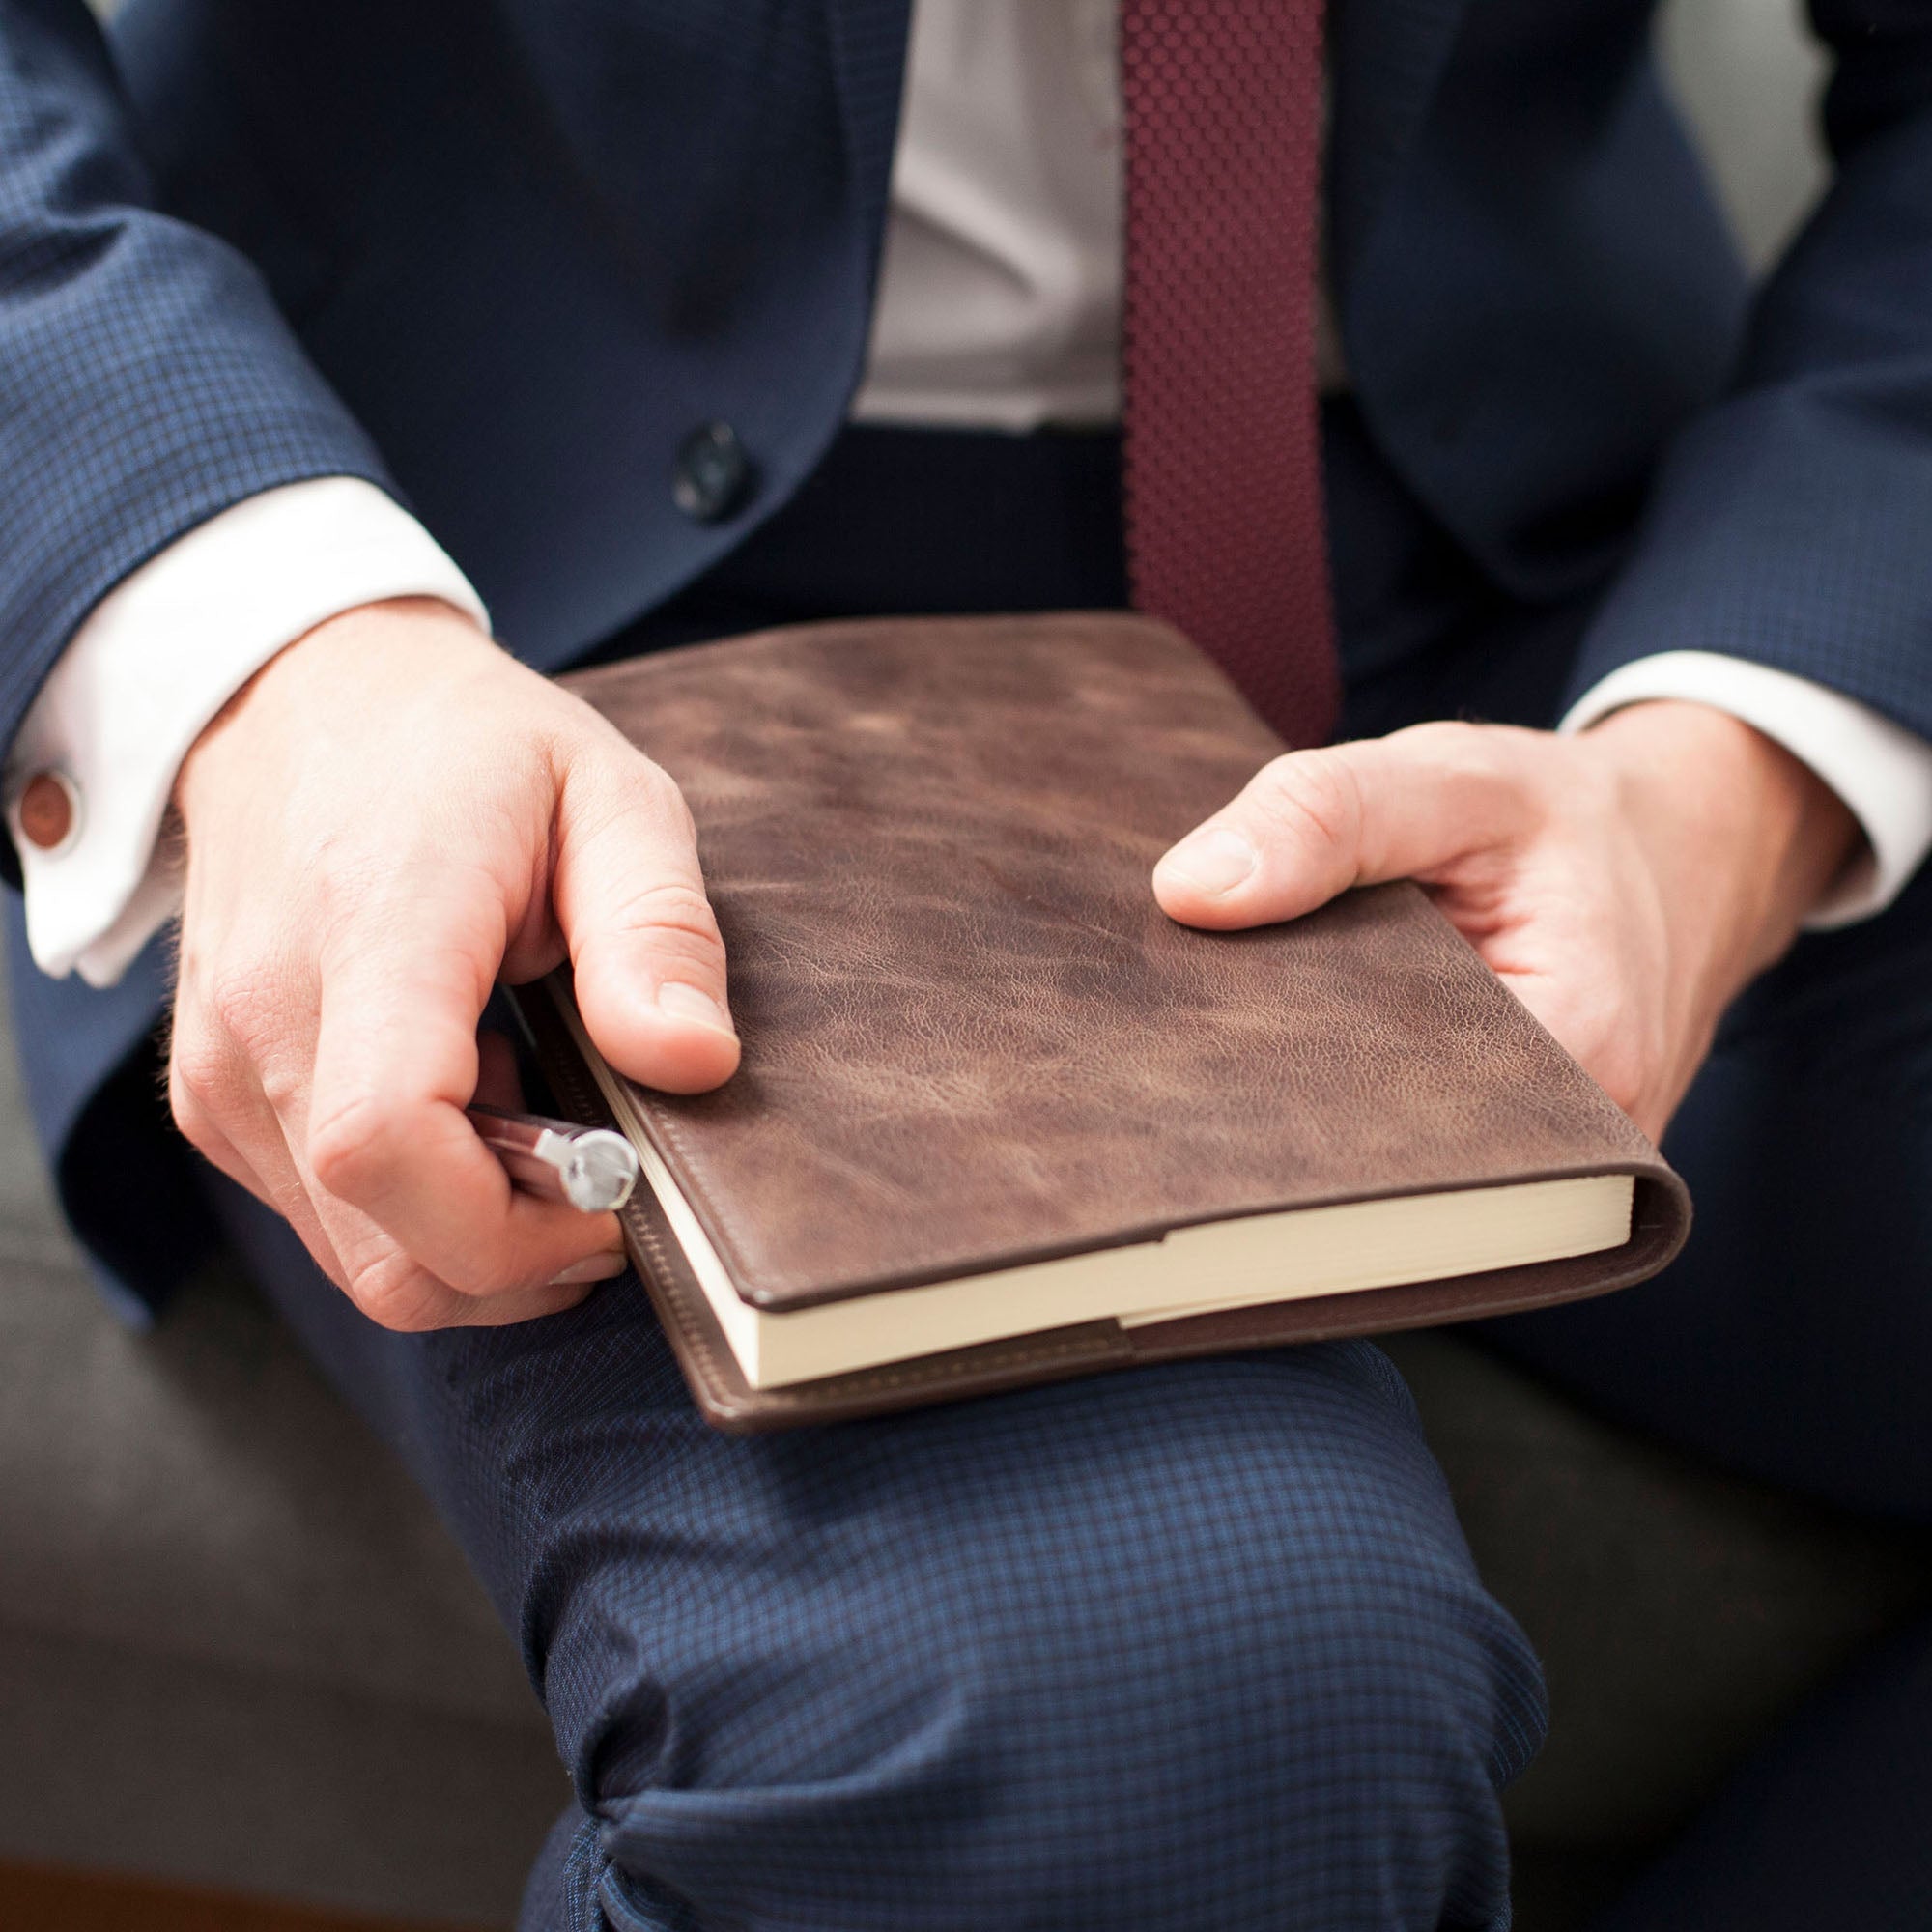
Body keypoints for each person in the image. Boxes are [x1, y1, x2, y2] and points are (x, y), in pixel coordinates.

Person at [3, 1, 1929, 1926]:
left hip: (1550, 598)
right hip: (501, 616)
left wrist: (1732, 780)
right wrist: (267, 647)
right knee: (1170, 1720)